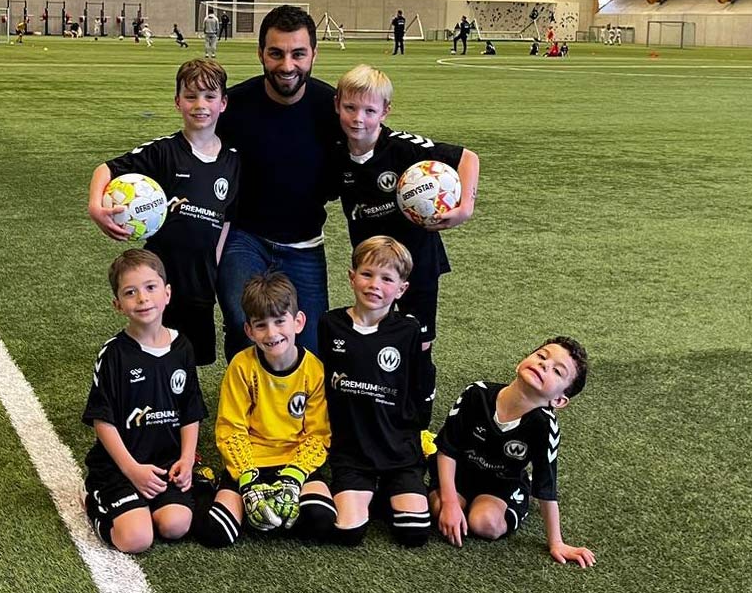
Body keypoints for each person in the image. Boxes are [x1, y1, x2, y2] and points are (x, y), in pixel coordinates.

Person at [88, 59, 238, 365]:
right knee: (154, 347)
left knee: (191, 356)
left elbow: (226, 221)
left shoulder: (233, 162)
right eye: (191, 97)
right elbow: (106, 168)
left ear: (223, 104)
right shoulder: (164, 151)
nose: (200, 105)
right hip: (160, 275)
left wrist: (216, 265)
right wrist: (95, 207)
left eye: (209, 97)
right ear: (177, 102)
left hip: (201, 279)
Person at [216, 5, 341, 360]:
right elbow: (189, 154)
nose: (287, 66)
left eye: (298, 54)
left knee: (312, 345)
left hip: (304, 242)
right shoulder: (234, 107)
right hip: (245, 237)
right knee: (246, 322)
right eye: (276, 53)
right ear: (260, 53)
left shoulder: (331, 107)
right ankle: (248, 401)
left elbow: (378, 146)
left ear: (314, 54)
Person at [331, 64, 478, 350]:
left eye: (369, 111)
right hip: (371, 266)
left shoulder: (403, 148)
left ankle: (420, 393)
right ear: (337, 104)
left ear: (385, 111)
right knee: (372, 334)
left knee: (418, 341)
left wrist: (465, 208)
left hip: (418, 261)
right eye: (350, 107)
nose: (358, 118)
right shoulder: (335, 152)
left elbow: (468, 158)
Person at [193, 272, 335, 547]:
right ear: (248, 330)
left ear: (298, 322)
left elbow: (319, 434)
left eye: (280, 321)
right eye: (261, 325)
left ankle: (272, 506)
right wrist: (247, 479)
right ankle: (203, 488)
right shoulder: (241, 366)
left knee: (321, 522)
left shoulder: (314, 370)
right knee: (215, 534)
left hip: (294, 464)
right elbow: (230, 429)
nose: (271, 333)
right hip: (251, 463)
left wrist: (294, 477)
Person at [82, 249, 207, 554]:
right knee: (137, 539)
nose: (142, 298)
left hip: (167, 464)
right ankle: (93, 497)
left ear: (167, 293)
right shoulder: (113, 354)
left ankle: (146, 505)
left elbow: (191, 410)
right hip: (121, 466)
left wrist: (187, 459)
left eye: (150, 288)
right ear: (117, 304)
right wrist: (132, 469)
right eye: (130, 292)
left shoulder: (182, 347)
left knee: (176, 525)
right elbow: (103, 419)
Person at [429, 337, 595, 567]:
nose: (544, 365)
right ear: (521, 362)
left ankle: (508, 504)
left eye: (557, 371)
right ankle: (453, 500)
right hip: (459, 473)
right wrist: (449, 503)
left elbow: (546, 485)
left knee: (484, 523)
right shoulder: (476, 394)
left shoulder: (545, 426)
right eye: (541, 356)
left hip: (501, 484)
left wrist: (556, 542)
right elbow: (447, 448)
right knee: (438, 509)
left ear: (558, 400)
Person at [318, 236, 434, 547]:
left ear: (401, 289)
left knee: (414, 534)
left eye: (386, 279)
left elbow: (420, 387)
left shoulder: (408, 331)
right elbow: (320, 382)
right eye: (367, 274)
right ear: (351, 276)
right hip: (351, 451)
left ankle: (390, 491)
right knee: (349, 533)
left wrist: (415, 432)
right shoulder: (330, 324)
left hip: (398, 450)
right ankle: (370, 491)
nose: (374, 285)